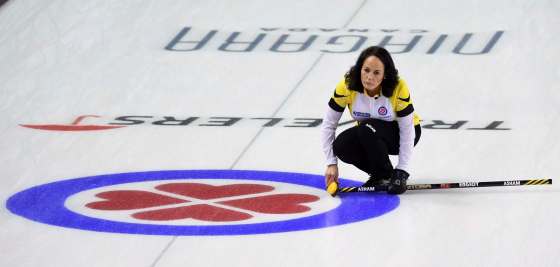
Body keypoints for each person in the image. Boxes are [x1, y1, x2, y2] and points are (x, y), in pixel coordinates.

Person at [320, 46, 421, 194]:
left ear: (385, 74)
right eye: (366, 70)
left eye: (376, 73)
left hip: (401, 135)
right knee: (342, 145)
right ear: (360, 68)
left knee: (366, 128)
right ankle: (383, 175)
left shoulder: (398, 87)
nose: (369, 77)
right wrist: (331, 163)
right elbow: (328, 125)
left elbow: (407, 129)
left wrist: (402, 170)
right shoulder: (347, 86)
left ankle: (391, 174)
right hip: (368, 134)